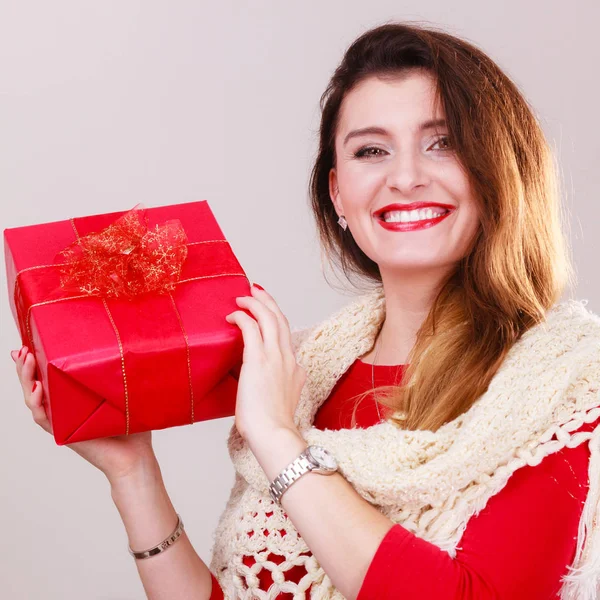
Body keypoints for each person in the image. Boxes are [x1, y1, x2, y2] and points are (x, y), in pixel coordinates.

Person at [12, 21, 600, 600]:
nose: (405, 177)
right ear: (338, 192)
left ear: (499, 169)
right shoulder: (311, 371)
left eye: (441, 142)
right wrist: (132, 471)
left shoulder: (562, 380)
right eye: (371, 150)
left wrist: (277, 435)